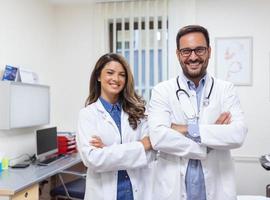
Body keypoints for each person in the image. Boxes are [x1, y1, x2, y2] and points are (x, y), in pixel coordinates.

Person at [148, 25, 248, 200]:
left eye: (199, 50)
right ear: (178, 54)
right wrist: (211, 138)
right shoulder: (161, 91)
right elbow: (158, 137)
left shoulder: (226, 89)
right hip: (173, 189)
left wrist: (188, 129)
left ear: (209, 51)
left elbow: (237, 134)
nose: (193, 57)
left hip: (217, 188)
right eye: (186, 51)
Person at [76, 53, 153, 200]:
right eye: (110, 73)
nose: (116, 79)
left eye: (122, 75)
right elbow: (93, 159)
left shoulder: (138, 112)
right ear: (98, 76)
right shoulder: (87, 115)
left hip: (137, 191)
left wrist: (107, 150)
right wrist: (139, 146)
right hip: (103, 193)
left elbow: (151, 152)